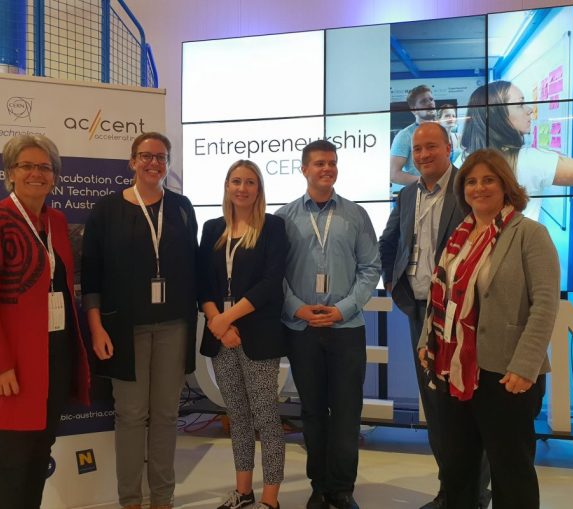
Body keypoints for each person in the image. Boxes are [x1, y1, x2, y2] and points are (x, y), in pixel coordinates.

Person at [0, 134, 91, 509]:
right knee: (13, 457)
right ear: (10, 173)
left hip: (55, 355)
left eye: (45, 167)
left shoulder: (57, 222)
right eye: (26, 166)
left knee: (39, 450)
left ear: (55, 176)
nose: (36, 173)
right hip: (12, 361)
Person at [417, 148, 560, 509]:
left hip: (506, 374)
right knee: (457, 470)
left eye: (488, 180)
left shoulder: (529, 234)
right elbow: (442, 296)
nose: (478, 188)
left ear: (506, 186)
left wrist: (525, 366)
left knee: (511, 471)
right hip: (453, 371)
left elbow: (544, 305)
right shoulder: (458, 238)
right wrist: (426, 340)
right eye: (471, 181)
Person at [81, 132, 198, 509]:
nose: (154, 163)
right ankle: (130, 500)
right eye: (146, 156)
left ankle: (162, 499)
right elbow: (92, 275)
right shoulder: (106, 209)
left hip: (173, 326)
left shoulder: (181, 208)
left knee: (165, 414)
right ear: (132, 162)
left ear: (168, 164)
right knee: (130, 415)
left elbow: (193, 267)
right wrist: (96, 327)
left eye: (161, 157)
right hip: (122, 329)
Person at [276, 140, 380, 509]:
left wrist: (345, 308)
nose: (327, 169)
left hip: (345, 328)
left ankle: (342, 487)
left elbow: (371, 268)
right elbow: (276, 274)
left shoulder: (355, 215)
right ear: (304, 169)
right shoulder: (284, 217)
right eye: (319, 163)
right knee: (314, 411)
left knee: (347, 410)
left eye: (332, 163)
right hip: (302, 329)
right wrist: (298, 308)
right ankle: (319, 485)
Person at [379, 122, 473, 509]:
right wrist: (396, 284)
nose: (422, 156)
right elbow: (389, 243)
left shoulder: (467, 189)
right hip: (419, 312)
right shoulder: (406, 195)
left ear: (449, 147)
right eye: (416, 150)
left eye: (430, 147)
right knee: (434, 408)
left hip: (459, 316)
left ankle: (471, 494)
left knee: (463, 409)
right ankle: (449, 491)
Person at [199, 160, 288, 509]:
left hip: (259, 336)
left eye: (250, 182)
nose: (242, 188)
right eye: (236, 181)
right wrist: (217, 321)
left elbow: (271, 283)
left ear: (259, 188)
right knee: (236, 415)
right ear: (226, 186)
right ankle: (244, 492)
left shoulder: (273, 227)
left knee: (266, 417)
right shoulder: (211, 229)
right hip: (221, 335)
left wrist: (226, 320)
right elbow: (202, 282)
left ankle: (270, 499)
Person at [458, 80, 573, 219]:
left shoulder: (462, 160)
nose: (530, 109)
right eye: (519, 104)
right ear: (497, 115)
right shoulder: (528, 160)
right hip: (519, 250)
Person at [390, 85, 437, 186]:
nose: (430, 103)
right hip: (420, 196)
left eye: (431, 99)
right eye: (424, 101)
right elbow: (393, 174)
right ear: (414, 109)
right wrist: (426, 182)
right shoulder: (405, 135)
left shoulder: (443, 131)